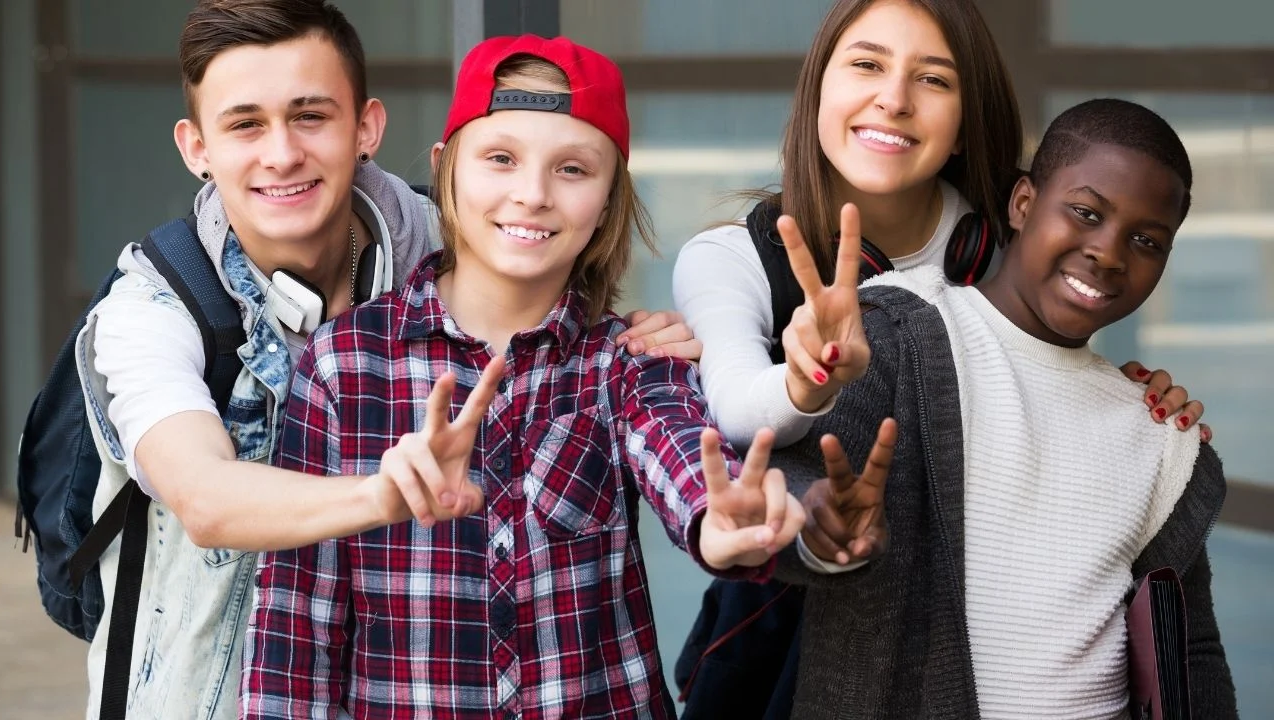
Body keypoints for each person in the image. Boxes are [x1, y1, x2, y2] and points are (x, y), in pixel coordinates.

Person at [76, 2, 696, 718]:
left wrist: (656, 337)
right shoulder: (149, 311)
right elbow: (207, 501)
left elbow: (542, 246)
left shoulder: (462, 238)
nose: (281, 153)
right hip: (195, 695)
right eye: (245, 123)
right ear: (196, 147)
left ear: (367, 127)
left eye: (310, 116)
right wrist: (385, 497)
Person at [240, 34, 818, 720]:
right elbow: (294, 621)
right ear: (445, 169)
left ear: (608, 200)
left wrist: (720, 522)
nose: (533, 194)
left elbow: (678, 451)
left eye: (573, 170)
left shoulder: (625, 363)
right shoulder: (344, 363)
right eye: (501, 159)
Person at [670, 2, 1208, 715]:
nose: (894, 98)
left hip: (954, 601)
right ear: (817, 90)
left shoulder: (1004, 245)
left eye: (933, 79)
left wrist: (1140, 404)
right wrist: (806, 377)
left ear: (964, 120)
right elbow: (739, 410)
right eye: (866, 64)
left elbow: (1053, 362)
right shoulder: (736, 256)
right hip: (795, 585)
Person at [776, 97, 1236, 719]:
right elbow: (803, 474)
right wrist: (819, 524)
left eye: (1146, 240)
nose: (1108, 252)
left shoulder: (1155, 429)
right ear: (1023, 203)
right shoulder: (900, 331)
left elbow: (1189, 649)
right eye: (1085, 211)